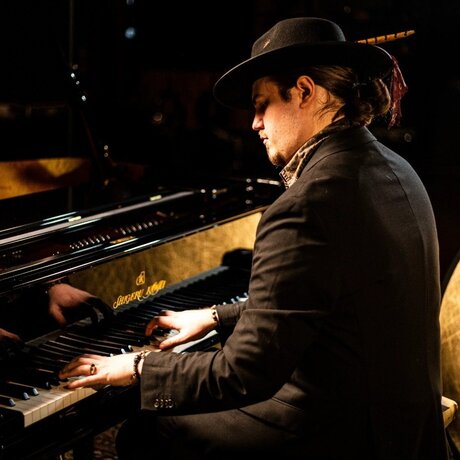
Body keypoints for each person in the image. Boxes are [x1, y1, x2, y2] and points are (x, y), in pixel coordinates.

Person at [58, 17, 448, 459]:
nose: (254, 124)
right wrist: (215, 317)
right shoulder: (397, 170)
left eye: (262, 105)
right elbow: (322, 297)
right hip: (406, 429)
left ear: (305, 91)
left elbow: (243, 375)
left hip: (341, 436)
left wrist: (138, 366)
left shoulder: (307, 204)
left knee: (148, 430)